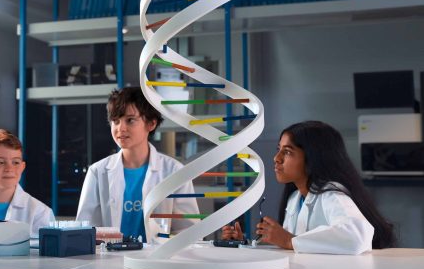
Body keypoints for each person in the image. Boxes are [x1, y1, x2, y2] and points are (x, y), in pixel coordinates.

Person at [222, 120, 396, 254]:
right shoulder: (294, 198)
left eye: (288, 152)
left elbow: (357, 235)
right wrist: (244, 244)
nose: (277, 158)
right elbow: (295, 248)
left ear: (314, 157)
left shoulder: (331, 193)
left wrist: (289, 241)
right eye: (279, 149)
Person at [76, 87, 198, 242]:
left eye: (130, 120)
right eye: (115, 121)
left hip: (156, 262)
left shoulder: (174, 171)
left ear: (151, 124)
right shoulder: (98, 172)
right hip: (110, 262)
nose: (121, 128)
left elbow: (188, 231)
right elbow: (84, 230)